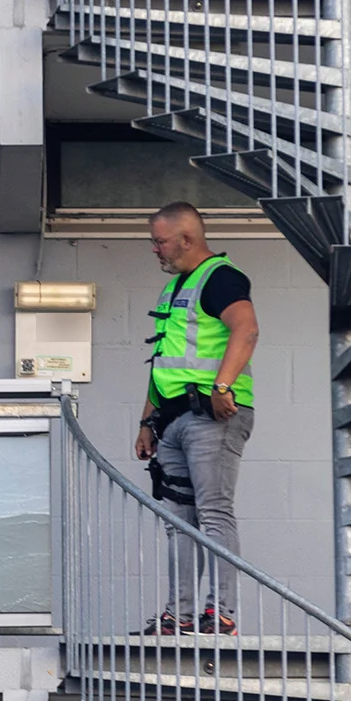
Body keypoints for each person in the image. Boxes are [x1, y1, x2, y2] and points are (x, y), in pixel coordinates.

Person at [133, 202, 259, 636]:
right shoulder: (174, 290)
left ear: (187, 239)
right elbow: (164, 362)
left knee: (214, 513)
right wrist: (147, 422)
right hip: (172, 420)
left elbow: (247, 329)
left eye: (159, 241)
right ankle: (180, 615)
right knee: (178, 521)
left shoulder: (220, 278)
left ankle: (219, 614)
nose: (154, 249)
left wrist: (222, 387)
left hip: (213, 415)